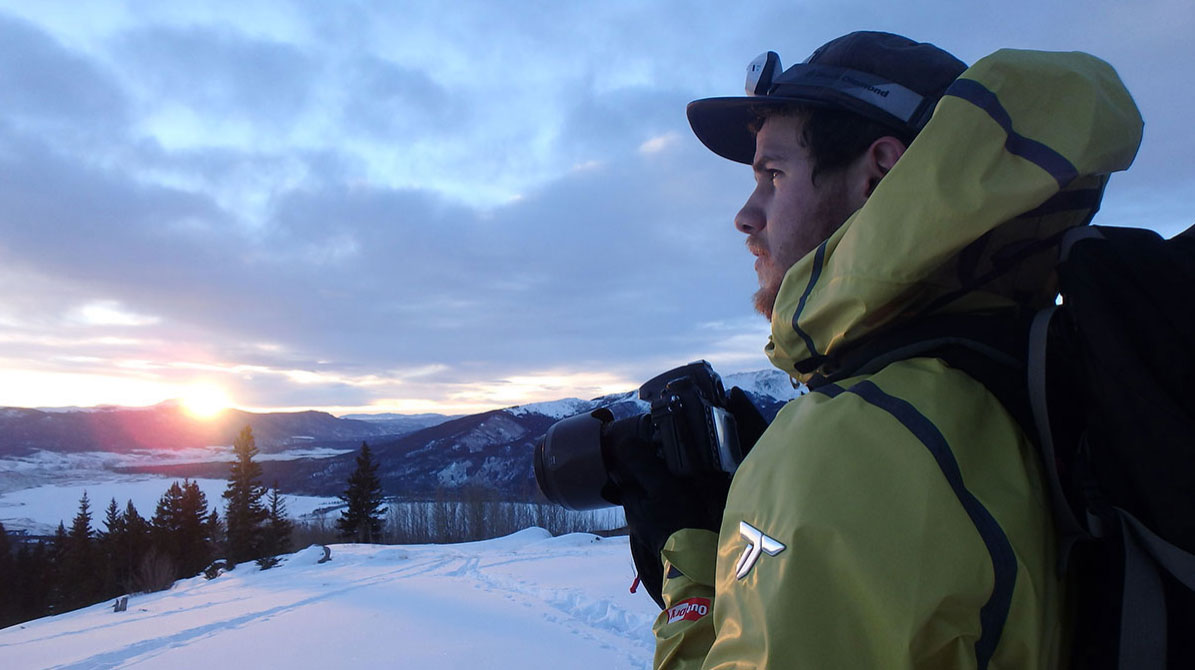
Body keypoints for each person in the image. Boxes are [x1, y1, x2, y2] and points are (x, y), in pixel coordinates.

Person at [618, 31, 1143, 668]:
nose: (746, 216)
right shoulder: (1021, 366)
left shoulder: (860, 441)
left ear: (880, 174)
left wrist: (694, 574)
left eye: (774, 176)